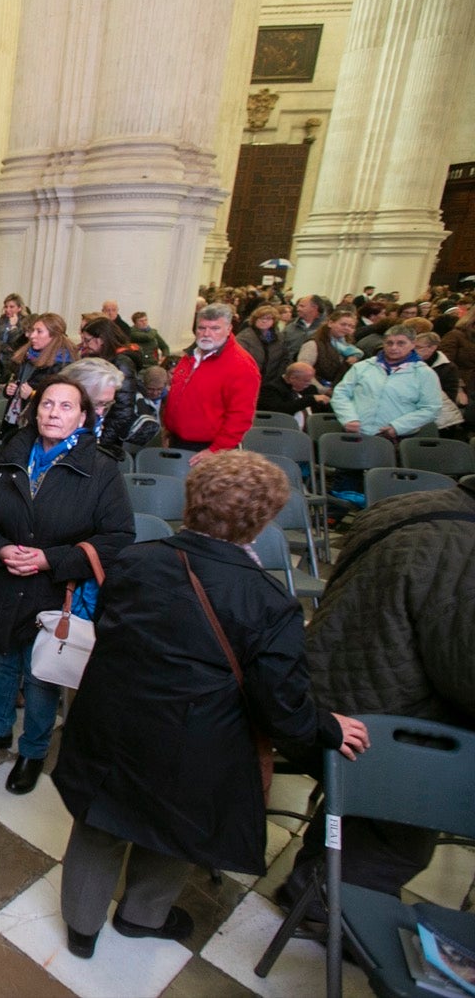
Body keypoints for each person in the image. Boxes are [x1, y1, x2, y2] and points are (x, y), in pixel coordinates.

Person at [53, 451, 370, 959]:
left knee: (100, 821)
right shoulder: (267, 602)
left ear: (192, 501)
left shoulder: (135, 559)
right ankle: (141, 917)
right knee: (172, 827)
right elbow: (281, 707)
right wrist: (329, 727)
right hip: (193, 739)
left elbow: (114, 629)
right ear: (260, 522)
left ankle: (81, 928)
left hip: (112, 720)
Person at [277, 472, 475, 916]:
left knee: (366, 816)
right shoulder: (464, 549)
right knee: (401, 839)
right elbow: (465, 674)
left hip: (320, 685)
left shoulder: (407, 505)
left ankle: (316, 885)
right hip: (378, 724)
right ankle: (328, 910)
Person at [0, 377, 133, 794]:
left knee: (41, 675)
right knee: (1, 660)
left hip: (57, 587)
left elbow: (117, 537)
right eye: (46, 405)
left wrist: (49, 559)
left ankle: (33, 751)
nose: (53, 413)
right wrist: (1, 549)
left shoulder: (101, 470)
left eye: (65, 407)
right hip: (5, 579)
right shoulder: (10, 455)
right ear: (34, 410)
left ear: (82, 417)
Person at [161, 303, 260, 463]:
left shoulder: (242, 365)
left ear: (229, 329)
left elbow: (240, 416)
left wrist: (217, 450)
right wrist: (169, 429)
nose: (206, 334)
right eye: (201, 328)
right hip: (177, 441)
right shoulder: (190, 355)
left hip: (209, 450)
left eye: (215, 328)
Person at [330, 324, 442, 440]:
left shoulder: (424, 373)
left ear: (413, 344)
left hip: (397, 437)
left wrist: (398, 427)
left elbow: (431, 408)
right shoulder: (363, 367)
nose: (393, 347)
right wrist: (348, 418)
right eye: (389, 343)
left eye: (401, 343)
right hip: (356, 433)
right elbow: (341, 393)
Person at [0, 313, 77, 440]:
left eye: (39, 332)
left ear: (54, 335)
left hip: (37, 425)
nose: (32, 335)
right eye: (32, 331)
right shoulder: (27, 355)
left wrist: (33, 395)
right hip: (15, 418)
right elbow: (16, 379)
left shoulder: (62, 364)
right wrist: (9, 389)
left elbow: (61, 399)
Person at [77, 318, 140, 456]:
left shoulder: (122, 363)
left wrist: (102, 442)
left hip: (107, 439)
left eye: (88, 340)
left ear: (101, 339)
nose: (84, 344)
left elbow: (122, 411)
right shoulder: (101, 359)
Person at [415, 332, 469, 435]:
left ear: (433, 347)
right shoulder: (411, 364)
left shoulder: (448, 367)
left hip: (441, 415)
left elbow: (450, 394)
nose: (413, 350)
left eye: (418, 347)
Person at [295, 307, 361, 390]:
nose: (347, 328)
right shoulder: (313, 344)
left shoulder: (351, 349)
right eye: (343, 324)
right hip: (314, 391)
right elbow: (303, 371)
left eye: (351, 326)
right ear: (330, 323)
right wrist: (322, 390)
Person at [257, 361, 330, 421]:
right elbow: (281, 411)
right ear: (292, 378)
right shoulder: (270, 389)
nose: (309, 383)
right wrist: (309, 400)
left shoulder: (310, 389)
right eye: (306, 381)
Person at [236, 305, 286, 386]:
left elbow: (284, 358)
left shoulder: (279, 337)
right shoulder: (244, 337)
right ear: (254, 320)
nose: (264, 321)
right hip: (249, 380)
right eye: (261, 318)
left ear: (274, 321)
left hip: (271, 382)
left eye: (268, 318)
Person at [282, 294, 332, 364]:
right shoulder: (290, 327)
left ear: (314, 307)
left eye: (302, 306)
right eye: (298, 306)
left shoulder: (328, 328)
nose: (298, 309)